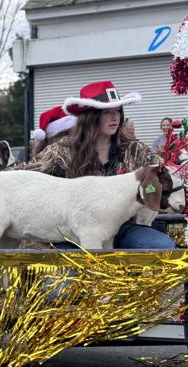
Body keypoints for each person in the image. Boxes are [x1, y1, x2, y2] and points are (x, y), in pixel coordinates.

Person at [24, 80, 175, 250]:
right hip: (72, 234)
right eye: (107, 112)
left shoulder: (134, 149)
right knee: (69, 272)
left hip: (121, 229)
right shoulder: (62, 150)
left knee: (161, 245)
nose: (115, 117)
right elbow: (26, 176)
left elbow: (166, 175)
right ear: (90, 116)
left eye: (118, 111)